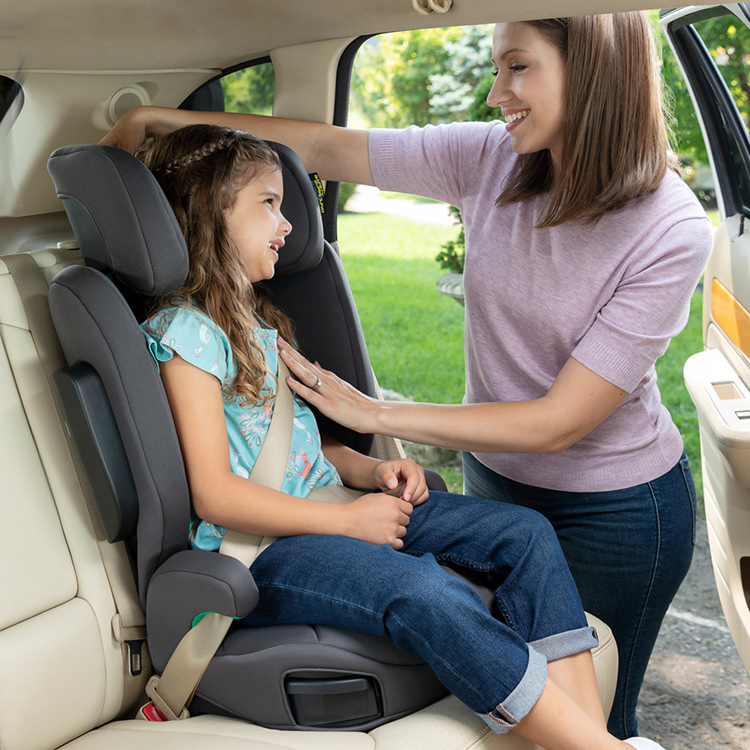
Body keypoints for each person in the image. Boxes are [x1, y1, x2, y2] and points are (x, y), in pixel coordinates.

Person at [104, 12, 710, 741]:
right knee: (430, 589)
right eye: (269, 204)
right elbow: (325, 145)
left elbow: (558, 420)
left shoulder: (670, 224)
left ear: (591, 74)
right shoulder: (192, 335)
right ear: (210, 218)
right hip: (287, 533)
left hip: (620, 500)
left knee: (525, 544)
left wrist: (366, 452)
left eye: (518, 67)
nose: (495, 93)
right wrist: (152, 118)